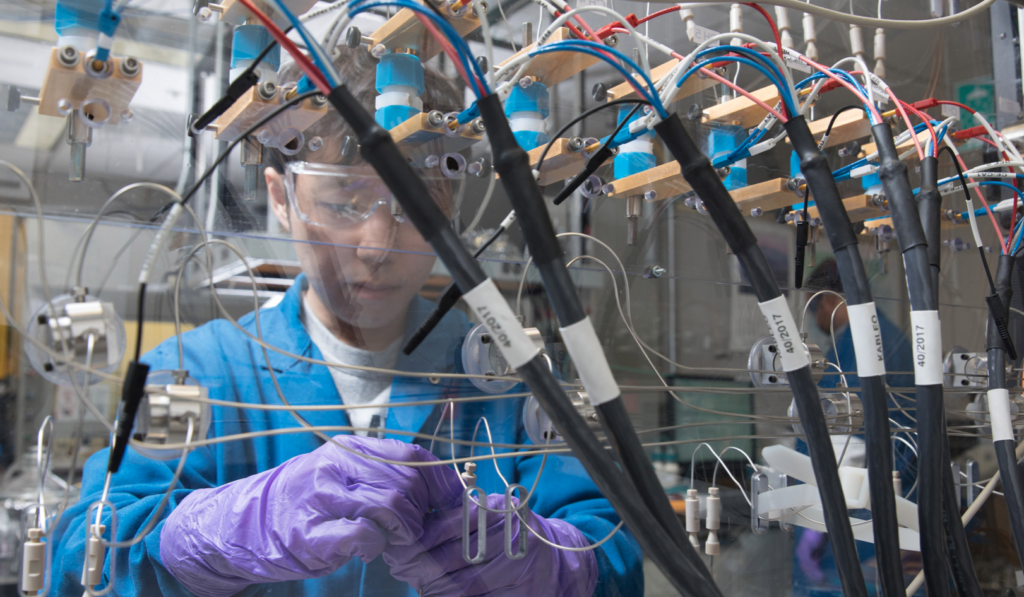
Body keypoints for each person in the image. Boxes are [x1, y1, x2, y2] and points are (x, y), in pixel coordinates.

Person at [49, 46, 643, 596]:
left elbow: (615, 551)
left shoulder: (510, 376)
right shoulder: (196, 370)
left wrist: (549, 565)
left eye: (415, 208)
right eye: (343, 205)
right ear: (281, 198)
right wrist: (214, 536)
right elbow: (83, 556)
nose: (378, 245)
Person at [791, 258, 919, 596]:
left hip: (856, 510)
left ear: (829, 300)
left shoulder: (863, 345)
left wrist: (818, 518)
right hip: (868, 502)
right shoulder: (878, 337)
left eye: (812, 307)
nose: (814, 318)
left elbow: (851, 441)